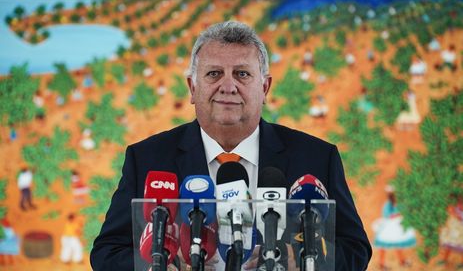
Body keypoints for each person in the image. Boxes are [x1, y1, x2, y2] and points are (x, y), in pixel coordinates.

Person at [90, 21, 371, 270]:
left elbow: (355, 250)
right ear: (192, 87)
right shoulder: (148, 158)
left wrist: (303, 260)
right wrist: (159, 266)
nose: (228, 86)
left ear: (265, 88)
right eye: (214, 74)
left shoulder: (317, 158)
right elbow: (107, 253)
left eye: (242, 74)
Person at [372, 185, 416, 270]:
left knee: (399, 243)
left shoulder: (399, 203)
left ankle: (402, 260)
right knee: (384, 244)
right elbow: (386, 215)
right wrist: (397, 215)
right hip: (390, 226)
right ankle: (381, 263)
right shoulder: (387, 204)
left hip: (398, 225)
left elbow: (404, 210)